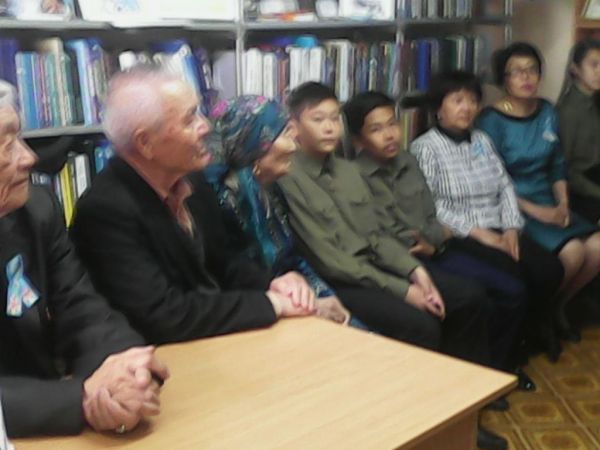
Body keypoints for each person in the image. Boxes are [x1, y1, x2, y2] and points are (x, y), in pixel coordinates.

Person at [70, 68, 314, 346]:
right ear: (145, 143)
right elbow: (163, 316)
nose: (206, 127)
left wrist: (271, 284)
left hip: (216, 338)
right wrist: (270, 304)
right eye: (190, 119)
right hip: (165, 352)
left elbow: (224, 262)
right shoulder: (105, 212)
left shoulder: (192, 181)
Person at [0, 80, 169, 438]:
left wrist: (126, 373)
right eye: (6, 144)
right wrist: (79, 400)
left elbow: (82, 308)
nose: (29, 157)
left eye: (19, 137)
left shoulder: (36, 209)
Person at [346, 90, 531, 380]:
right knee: (472, 297)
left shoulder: (407, 161)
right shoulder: (354, 177)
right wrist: (430, 239)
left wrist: (434, 240)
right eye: (376, 129)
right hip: (406, 262)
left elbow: (431, 213)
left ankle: (497, 371)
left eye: (392, 124)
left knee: (512, 290)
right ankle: (466, 378)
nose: (390, 135)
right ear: (358, 139)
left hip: (436, 248)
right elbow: (387, 236)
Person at [477, 43, 600, 340]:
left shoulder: (546, 111)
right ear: (504, 79)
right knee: (573, 252)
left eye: (532, 69)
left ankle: (557, 307)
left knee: (597, 246)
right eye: (516, 71)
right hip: (513, 205)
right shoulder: (490, 120)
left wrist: (563, 203)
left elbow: (557, 165)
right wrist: (539, 212)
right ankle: (539, 317)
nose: (526, 77)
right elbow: (492, 181)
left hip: (548, 199)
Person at [205, 95, 357, 326]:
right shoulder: (226, 200)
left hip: (292, 295)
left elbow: (291, 257)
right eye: (285, 134)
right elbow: (237, 277)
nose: (294, 146)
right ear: (257, 146)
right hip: (260, 310)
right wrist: (311, 303)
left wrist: (324, 294)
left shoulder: (270, 189)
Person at [557, 38, 600, 224]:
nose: (599, 71)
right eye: (594, 65)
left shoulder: (594, 99)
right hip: (580, 189)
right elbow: (565, 169)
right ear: (575, 68)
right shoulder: (568, 111)